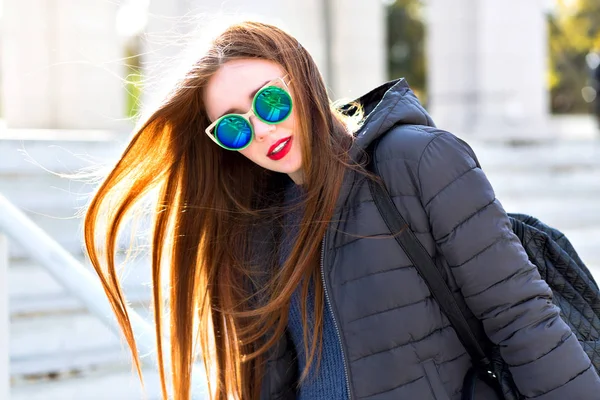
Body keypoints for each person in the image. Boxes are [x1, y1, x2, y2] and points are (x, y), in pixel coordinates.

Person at [84, 21, 600, 400]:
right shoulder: (256, 228)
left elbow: (524, 320)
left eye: (268, 102)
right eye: (235, 127)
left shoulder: (417, 160)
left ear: (303, 80)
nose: (263, 130)